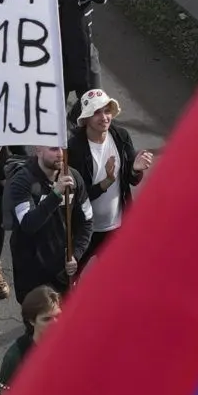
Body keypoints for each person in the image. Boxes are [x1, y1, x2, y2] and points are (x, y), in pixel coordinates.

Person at [69, 86, 154, 269]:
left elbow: (131, 180)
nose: (104, 117)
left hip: (117, 226)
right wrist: (105, 182)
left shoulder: (120, 136)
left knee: (118, 277)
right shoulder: (75, 148)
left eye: (107, 111)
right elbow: (77, 196)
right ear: (86, 118)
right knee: (69, 278)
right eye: (96, 112)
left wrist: (135, 169)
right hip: (85, 231)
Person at [4, 143, 90, 298]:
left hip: (61, 270)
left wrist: (75, 254)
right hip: (31, 269)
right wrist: (56, 194)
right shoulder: (22, 180)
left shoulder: (74, 177)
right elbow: (28, 224)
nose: (60, 154)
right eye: (53, 149)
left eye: (62, 148)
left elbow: (87, 221)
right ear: (38, 150)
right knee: (39, 319)